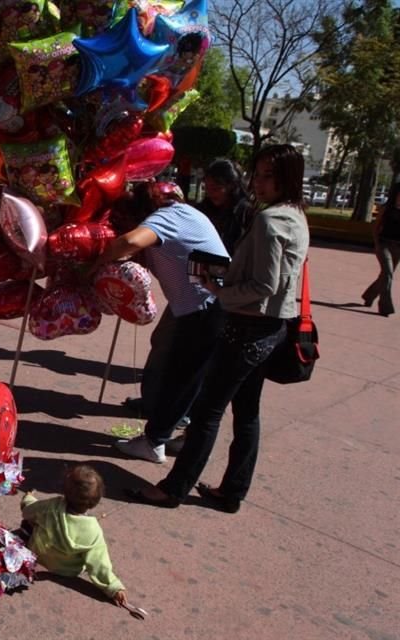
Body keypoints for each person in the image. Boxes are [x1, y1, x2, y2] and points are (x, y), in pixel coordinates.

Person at [126, 144, 310, 513]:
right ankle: (232, 491)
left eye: (268, 176)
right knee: (247, 413)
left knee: (209, 412)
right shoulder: (294, 215)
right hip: (271, 329)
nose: (259, 183)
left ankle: (174, 488)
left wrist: (220, 291)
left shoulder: (269, 220)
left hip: (248, 329)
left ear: (288, 177)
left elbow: (264, 286)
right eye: (256, 175)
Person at [94, 182, 229, 463]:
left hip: (205, 307)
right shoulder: (182, 213)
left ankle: (155, 442)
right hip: (208, 304)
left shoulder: (165, 217)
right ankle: (180, 435)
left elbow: (130, 242)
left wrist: (97, 261)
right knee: (192, 377)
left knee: (180, 377)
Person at [20, 465, 127, 607]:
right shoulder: (93, 531)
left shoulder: (52, 506)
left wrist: (28, 498)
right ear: (96, 500)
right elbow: (100, 564)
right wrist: (114, 587)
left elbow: (28, 511)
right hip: (67, 570)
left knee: (30, 522)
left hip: (37, 553)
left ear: (64, 491)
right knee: (91, 553)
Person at [196, 158, 253, 255]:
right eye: (207, 188)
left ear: (232, 185)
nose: (210, 194)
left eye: (215, 188)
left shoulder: (245, 212)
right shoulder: (203, 209)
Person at [361, 181, 400, 317]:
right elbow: (376, 227)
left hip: (398, 247)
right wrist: (377, 244)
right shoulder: (386, 208)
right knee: (388, 273)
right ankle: (385, 307)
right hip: (384, 244)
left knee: (385, 275)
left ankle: (368, 295)